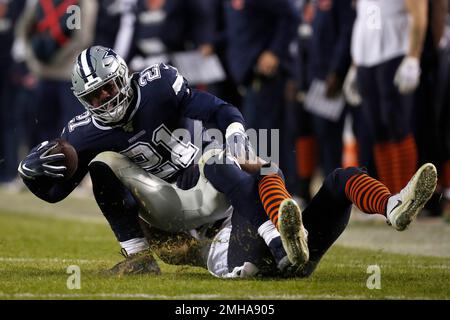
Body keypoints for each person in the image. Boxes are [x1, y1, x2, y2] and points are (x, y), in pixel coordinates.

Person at [17, 45, 309, 275]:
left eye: (108, 87)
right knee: (101, 165)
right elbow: (55, 194)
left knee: (217, 158)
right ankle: (138, 258)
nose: (104, 98)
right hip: (163, 203)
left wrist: (234, 133)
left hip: (205, 183)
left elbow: (219, 110)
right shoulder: (82, 133)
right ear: (82, 100)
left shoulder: (157, 85)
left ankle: (277, 242)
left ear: (123, 76)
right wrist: (30, 174)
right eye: (94, 96)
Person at [140, 162, 438, 279]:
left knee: (340, 179)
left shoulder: (209, 166)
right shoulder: (158, 203)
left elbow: (251, 169)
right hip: (238, 255)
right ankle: (285, 236)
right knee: (267, 174)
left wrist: (237, 159)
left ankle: (391, 205)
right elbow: (176, 251)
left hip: (280, 247)